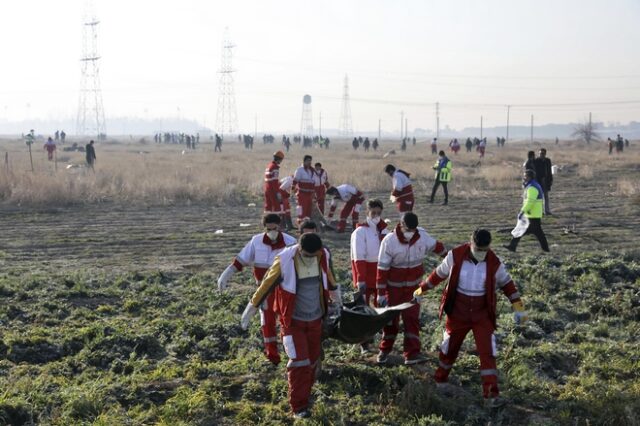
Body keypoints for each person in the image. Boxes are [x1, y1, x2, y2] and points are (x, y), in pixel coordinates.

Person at [413, 229, 528, 407]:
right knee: (449, 347)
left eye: (484, 250)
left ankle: (490, 396)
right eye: (478, 249)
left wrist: (519, 307)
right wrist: (421, 289)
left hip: (482, 313)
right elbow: (438, 275)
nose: (481, 253)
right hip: (458, 310)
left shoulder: (494, 263)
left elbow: (507, 284)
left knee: (488, 352)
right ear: (471, 243)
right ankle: (440, 380)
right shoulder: (455, 256)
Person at [240, 233, 341, 419]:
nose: (310, 258)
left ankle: (305, 398)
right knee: (298, 362)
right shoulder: (285, 259)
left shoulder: (322, 256)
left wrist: (338, 301)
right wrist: (252, 307)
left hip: (315, 320)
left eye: (313, 255)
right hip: (292, 322)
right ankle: (298, 407)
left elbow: (331, 280)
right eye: (306, 255)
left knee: (311, 362)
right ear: (299, 249)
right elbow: (266, 284)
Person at [218, 214, 297, 364]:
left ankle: (292, 355)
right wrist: (226, 275)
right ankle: (272, 356)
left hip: (284, 290)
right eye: (269, 229)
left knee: (287, 321)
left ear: (280, 227)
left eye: (275, 228)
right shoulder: (256, 241)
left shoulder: (290, 242)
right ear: (264, 228)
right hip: (265, 290)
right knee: (266, 321)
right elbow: (240, 261)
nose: (272, 232)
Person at [376, 212, 447, 365]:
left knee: (412, 319)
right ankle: (384, 351)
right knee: (390, 321)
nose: (411, 233)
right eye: (408, 229)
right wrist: (381, 293)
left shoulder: (422, 236)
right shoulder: (389, 242)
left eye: (413, 230)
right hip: (393, 289)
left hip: (414, 289)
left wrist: (450, 258)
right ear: (401, 226)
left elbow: (437, 246)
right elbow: (382, 270)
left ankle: (412, 354)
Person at [350, 199, 389, 353]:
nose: (376, 216)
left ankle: (381, 340)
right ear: (367, 212)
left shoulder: (384, 231)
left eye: (379, 213)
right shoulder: (360, 232)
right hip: (365, 274)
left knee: (382, 309)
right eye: (373, 213)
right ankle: (364, 344)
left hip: (380, 274)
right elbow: (359, 256)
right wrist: (360, 279)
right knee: (363, 311)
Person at [504, 169, 549, 252]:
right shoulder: (532, 185)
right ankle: (512, 246)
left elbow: (530, 201)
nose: (524, 178)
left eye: (525, 176)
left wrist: (523, 211)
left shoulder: (532, 187)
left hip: (532, 213)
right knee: (537, 233)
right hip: (533, 213)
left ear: (529, 177)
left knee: (526, 230)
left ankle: (512, 246)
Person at [292, 155, 316, 225]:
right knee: (301, 210)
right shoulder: (299, 170)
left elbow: (314, 183)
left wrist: (314, 194)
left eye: (310, 161)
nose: (309, 162)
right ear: (304, 161)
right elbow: (295, 181)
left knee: (309, 211)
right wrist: (292, 191)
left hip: (310, 194)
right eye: (308, 161)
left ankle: (307, 226)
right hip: (302, 194)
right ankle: (300, 226)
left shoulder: (312, 170)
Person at [264, 151, 285, 216]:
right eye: (281, 160)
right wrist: (278, 193)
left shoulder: (269, 166)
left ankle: (267, 222)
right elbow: (274, 182)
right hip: (272, 191)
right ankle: (275, 224)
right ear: (279, 159)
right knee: (276, 208)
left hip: (267, 189)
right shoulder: (275, 168)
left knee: (268, 207)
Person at [534, 148, 553, 215]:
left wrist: (550, 180)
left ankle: (547, 211)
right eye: (540, 153)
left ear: (545, 154)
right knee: (539, 197)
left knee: (546, 196)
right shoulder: (536, 161)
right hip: (538, 180)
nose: (541, 155)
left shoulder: (548, 161)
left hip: (546, 180)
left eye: (542, 153)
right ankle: (539, 211)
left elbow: (549, 171)